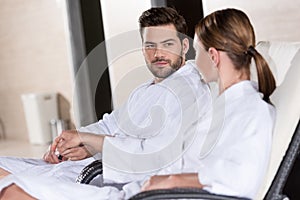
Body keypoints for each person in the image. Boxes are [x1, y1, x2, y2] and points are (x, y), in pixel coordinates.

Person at [0, 7, 211, 199]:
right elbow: (109, 125)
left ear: (184, 46)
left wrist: (92, 142)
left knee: (13, 189)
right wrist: (70, 143)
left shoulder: (188, 89)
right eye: (150, 46)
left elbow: (158, 155)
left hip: (115, 179)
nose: (158, 54)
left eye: (167, 44)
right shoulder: (145, 90)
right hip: (92, 165)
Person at [140, 8, 276, 199]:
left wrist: (173, 181)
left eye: (197, 51)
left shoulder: (253, 110)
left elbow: (241, 180)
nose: (194, 60)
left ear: (213, 56)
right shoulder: (225, 106)